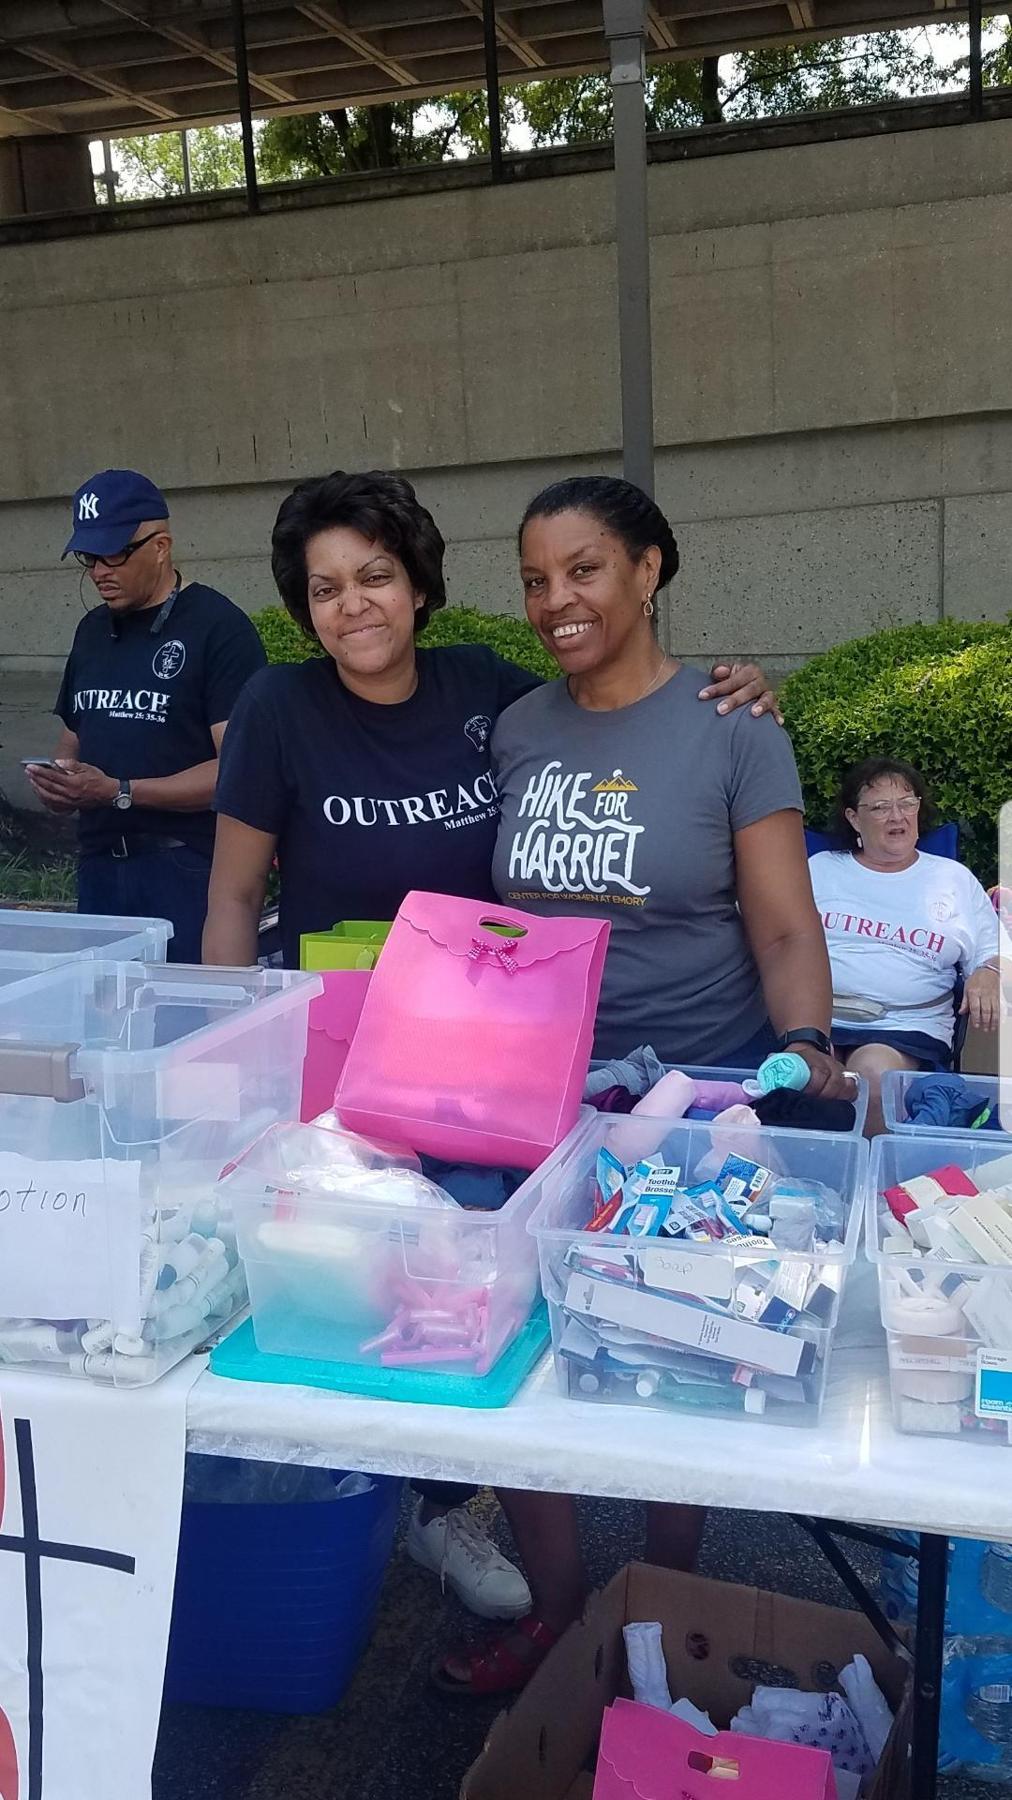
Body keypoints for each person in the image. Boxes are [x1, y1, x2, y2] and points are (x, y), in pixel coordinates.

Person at [204, 468, 779, 1623]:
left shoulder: (489, 695)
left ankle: (597, 1582)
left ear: (419, 584)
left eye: (374, 576)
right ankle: (436, 1516)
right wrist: (236, 1064)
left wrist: (732, 693)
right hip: (352, 1062)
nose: (352, 606)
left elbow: (613, 702)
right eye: (324, 588)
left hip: (494, 1059)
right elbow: (231, 897)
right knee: (400, 1299)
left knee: (525, 1295)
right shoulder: (277, 707)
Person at [435, 473, 850, 1696]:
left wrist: (807, 1044)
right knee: (523, 1348)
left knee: (682, 1357)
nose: (554, 601)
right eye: (533, 579)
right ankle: (561, 1612)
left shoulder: (733, 726)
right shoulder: (517, 727)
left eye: (583, 570)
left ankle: (666, 1614)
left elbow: (784, 923)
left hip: (697, 1103)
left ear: (648, 570)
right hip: (539, 1094)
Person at [24, 469, 265, 963]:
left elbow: (241, 770)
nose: (99, 572)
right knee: (100, 1009)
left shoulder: (218, 627)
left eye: (113, 554)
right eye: (89, 557)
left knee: (185, 1006)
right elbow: (72, 742)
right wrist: (59, 784)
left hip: (183, 865)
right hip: (99, 869)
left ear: (160, 547)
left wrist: (121, 791)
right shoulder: (92, 631)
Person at [809, 758, 1009, 1135]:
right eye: (880, 807)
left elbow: (998, 948)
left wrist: (988, 971)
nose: (896, 816)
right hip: (817, 1017)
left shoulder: (953, 879)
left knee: (873, 1075)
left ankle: (877, 1170)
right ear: (854, 818)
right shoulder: (821, 869)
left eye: (906, 803)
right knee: (807, 1075)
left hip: (905, 1025)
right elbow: (775, 931)